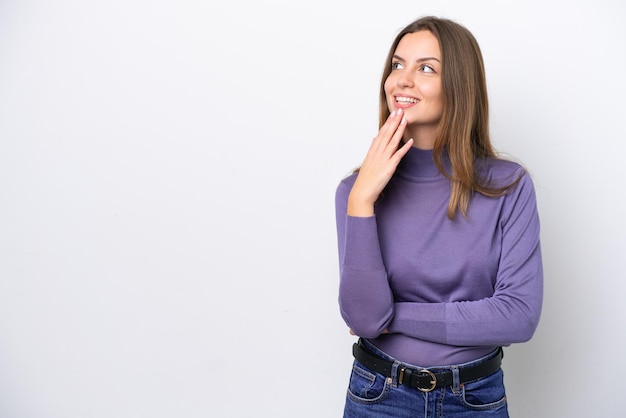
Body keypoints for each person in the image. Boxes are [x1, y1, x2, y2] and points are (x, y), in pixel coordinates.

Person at [334, 16, 543, 417]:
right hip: (379, 397)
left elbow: (518, 317)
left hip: (475, 398)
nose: (402, 80)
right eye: (397, 65)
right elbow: (363, 318)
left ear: (459, 86)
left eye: (425, 68)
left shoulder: (508, 187)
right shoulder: (355, 192)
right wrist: (362, 201)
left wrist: (392, 316)